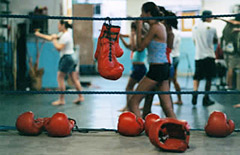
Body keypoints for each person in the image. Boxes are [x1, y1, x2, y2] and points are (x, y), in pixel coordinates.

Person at [127, 2, 176, 119]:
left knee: (133, 102)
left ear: (148, 13)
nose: (141, 15)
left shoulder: (155, 27)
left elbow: (140, 47)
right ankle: (180, 130)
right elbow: (146, 40)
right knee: (167, 107)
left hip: (156, 69)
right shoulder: (159, 26)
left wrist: (138, 26)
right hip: (164, 68)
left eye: (142, 12)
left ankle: (140, 128)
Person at [35, 20, 84, 105]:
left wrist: (54, 40)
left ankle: (61, 100)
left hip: (67, 58)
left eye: (58, 25)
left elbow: (58, 47)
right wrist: (39, 34)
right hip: (71, 57)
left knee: (60, 78)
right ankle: (80, 97)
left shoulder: (65, 36)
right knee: (74, 79)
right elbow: (50, 38)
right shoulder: (63, 34)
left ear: (63, 26)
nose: (57, 27)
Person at [141, 8, 179, 118]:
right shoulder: (162, 30)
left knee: (164, 100)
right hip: (161, 64)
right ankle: (145, 119)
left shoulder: (166, 32)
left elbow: (165, 49)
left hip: (164, 65)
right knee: (150, 96)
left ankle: (173, 122)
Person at [118, 22, 147, 112]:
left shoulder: (141, 38)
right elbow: (128, 44)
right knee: (134, 88)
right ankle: (129, 106)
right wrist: (120, 36)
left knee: (130, 88)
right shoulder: (134, 37)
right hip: (136, 67)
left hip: (140, 67)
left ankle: (130, 107)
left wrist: (131, 36)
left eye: (132, 30)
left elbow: (133, 48)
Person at [192, 10, 218, 106]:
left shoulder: (194, 27)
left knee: (197, 76)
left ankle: (195, 92)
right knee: (209, 78)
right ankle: (206, 97)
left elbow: (194, 41)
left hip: (198, 55)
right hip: (209, 55)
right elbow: (215, 41)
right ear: (208, 17)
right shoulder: (212, 27)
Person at [219, 16, 240, 90]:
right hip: (234, 51)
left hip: (226, 49)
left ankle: (229, 85)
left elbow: (222, 38)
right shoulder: (235, 27)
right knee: (231, 69)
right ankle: (229, 86)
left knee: (229, 68)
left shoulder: (227, 26)